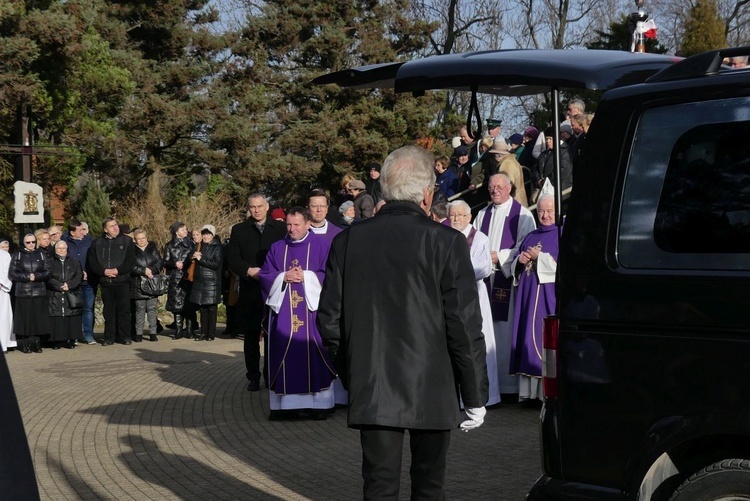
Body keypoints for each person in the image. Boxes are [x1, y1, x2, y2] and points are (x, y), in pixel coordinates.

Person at [318, 145, 489, 500]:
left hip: (374, 380)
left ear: (384, 190)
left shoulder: (348, 241)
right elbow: (463, 324)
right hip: (433, 383)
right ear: (428, 194)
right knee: (429, 486)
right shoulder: (447, 242)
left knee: (379, 486)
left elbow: (329, 320)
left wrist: (353, 371)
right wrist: (474, 395)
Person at [259, 207, 337, 419]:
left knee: (314, 352)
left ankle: (319, 406)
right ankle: (285, 407)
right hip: (283, 314)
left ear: (308, 224)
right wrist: (283, 276)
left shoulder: (322, 246)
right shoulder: (277, 247)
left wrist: (307, 276)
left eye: (296, 225)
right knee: (284, 352)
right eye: (289, 225)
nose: (292, 229)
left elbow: (331, 275)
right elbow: (265, 274)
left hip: (311, 314)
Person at [473, 172, 536, 400]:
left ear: (510, 188)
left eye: (499, 186)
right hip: (485, 281)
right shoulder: (482, 214)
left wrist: (499, 256)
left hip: (507, 281)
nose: (495, 190)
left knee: (505, 332)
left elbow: (526, 245)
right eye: (491, 187)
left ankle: (509, 387)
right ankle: (490, 387)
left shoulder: (523, 215)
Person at [226, 194, 286, 391]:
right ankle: (253, 376)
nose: (257, 210)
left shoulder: (280, 229)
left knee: (272, 336)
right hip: (250, 290)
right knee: (251, 336)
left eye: (260, 206)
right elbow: (232, 258)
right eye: (253, 207)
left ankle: (271, 375)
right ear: (249, 208)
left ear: (267, 207)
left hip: (274, 290)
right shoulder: (239, 230)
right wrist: (248, 270)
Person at [448, 200, 502, 407]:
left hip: (474, 296)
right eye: (452, 215)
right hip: (450, 296)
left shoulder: (478, 238)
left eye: (460, 215)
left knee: (477, 343)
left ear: (469, 217)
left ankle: (485, 395)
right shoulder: (445, 234)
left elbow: (484, 267)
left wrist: (452, 272)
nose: (455, 219)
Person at [510, 190, 559, 402]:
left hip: (547, 297)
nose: (545, 215)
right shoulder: (531, 235)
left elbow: (562, 268)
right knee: (526, 339)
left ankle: (543, 394)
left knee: (541, 340)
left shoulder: (561, 233)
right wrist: (518, 261)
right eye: (541, 211)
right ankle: (528, 394)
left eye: (549, 211)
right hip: (528, 296)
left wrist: (541, 258)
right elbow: (515, 266)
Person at [88, 218, 135, 346]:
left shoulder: (127, 241)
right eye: (111, 226)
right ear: (105, 229)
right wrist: (103, 272)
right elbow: (93, 263)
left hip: (122, 281)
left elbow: (130, 261)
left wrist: (118, 270)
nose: (115, 228)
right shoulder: (97, 243)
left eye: (116, 225)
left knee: (124, 310)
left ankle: (125, 336)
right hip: (106, 282)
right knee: (108, 311)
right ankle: (109, 337)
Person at [9, 233, 51, 353]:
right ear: (24, 243)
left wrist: (36, 276)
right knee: (24, 320)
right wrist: (27, 277)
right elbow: (12, 273)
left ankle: (36, 343)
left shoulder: (41, 254)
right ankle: (25, 344)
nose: (31, 244)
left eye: (33, 242)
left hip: (39, 291)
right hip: (23, 291)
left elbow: (47, 271)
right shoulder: (18, 255)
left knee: (37, 319)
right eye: (28, 242)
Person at [63, 220, 96, 344]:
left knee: (88, 308)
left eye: (84, 229)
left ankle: (88, 334)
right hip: (73, 281)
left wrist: (89, 271)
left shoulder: (90, 241)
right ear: (72, 232)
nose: (84, 232)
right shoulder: (65, 242)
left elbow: (94, 258)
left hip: (89, 280)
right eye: (80, 230)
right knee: (74, 308)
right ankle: (75, 334)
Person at [47, 240, 83, 350]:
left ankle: (70, 339)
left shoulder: (74, 261)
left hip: (71, 292)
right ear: (55, 249)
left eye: (63, 248)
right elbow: (48, 276)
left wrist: (70, 285)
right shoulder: (50, 262)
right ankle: (57, 341)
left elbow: (79, 275)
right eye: (59, 248)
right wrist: (59, 285)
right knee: (57, 316)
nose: (61, 250)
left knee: (70, 316)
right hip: (55, 293)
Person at [189, 225, 222, 341]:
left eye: (208, 234)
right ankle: (203, 333)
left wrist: (201, 259)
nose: (206, 236)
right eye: (204, 234)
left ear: (213, 235)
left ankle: (211, 334)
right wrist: (193, 256)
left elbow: (216, 264)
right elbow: (189, 258)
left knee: (212, 308)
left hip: (212, 281)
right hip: (199, 281)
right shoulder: (198, 245)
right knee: (202, 308)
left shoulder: (217, 247)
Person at [131, 230, 163, 342]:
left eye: (143, 238)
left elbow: (159, 262)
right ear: (135, 240)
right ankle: (138, 333)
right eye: (139, 238)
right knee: (139, 310)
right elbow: (131, 266)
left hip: (152, 283)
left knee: (152, 309)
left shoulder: (153, 249)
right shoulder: (132, 251)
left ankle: (153, 333)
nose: (141, 240)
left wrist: (151, 270)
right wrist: (143, 271)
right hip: (138, 284)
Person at [163, 222, 194, 340]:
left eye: (186, 229)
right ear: (176, 232)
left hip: (188, 277)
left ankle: (190, 329)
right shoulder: (169, 245)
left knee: (189, 304)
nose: (186, 231)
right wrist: (174, 263)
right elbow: (165, 262)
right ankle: (178, 330)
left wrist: (186, 263)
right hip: (175, 278)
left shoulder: (191, 244)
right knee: (177, 305)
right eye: (183, 229)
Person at [0, 246, 15, 353]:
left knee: (3, 318)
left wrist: (2, 283)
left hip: (1, 290)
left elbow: (9, 272)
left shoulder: (4, 255)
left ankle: (3, 344)